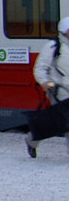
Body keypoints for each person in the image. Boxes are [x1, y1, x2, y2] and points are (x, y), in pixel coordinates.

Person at [27, 16, 69, 158]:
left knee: (60, 122)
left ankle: (32, 139)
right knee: (65, 122)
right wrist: (46, 83)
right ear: (63, 31)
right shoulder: (53, 47)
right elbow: (40, 69)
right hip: (60, 91)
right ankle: (32, 139)